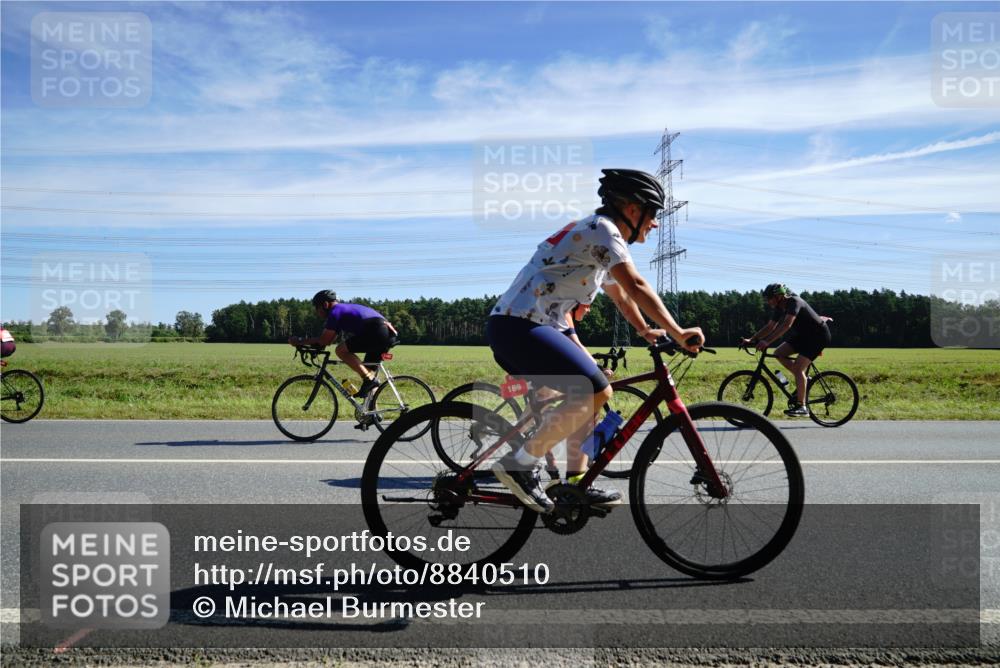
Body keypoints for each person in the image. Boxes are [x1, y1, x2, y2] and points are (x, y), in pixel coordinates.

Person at [486, 168, 705, 513]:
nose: (656, 224)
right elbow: (636, 285)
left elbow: (622, 296)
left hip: (533, 325)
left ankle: (575, 483)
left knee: (590, 391)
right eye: (654, 213)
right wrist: (678, 332)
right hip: (519, 325)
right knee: (596, 390)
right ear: (633, 209)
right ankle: (521, 464)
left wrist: (645, 331)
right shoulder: (603, 231)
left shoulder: (595, 237)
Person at [741, 283, 832, 417]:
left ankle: (802, 407)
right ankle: (804, 379)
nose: (767, 301)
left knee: (798, 369)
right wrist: (752, 339)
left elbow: (786, 324)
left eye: (769, 298)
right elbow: (771, 326)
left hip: (818, 337)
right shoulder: (779, 307)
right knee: (778, 353)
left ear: (778, 296)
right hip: (804, 336)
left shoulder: (794, 302)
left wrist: (767, 341)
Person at [289, 290, 397, 400]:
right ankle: (373, 413)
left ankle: (369, 380)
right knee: (368, 374)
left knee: (340, 350)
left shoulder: (335, 311)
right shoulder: (342, 311)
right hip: (384, 333)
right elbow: (329, 340)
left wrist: (299, 341)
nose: (317, 312)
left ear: (325, 304)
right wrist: (315, 346)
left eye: (317, 308)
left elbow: (325, 340)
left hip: (377, 331)